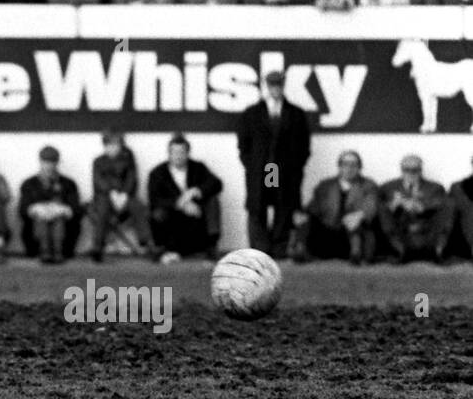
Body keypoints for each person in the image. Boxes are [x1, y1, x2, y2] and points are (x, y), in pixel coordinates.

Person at [238, 71, 311, 258]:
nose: (275, 89)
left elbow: (304, 146)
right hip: (262, 170)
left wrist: (295, 167)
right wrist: (253, 166)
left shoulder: (296, 114)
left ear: (283, 85)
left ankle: (279, 247)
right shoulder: (252, 113)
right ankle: (260, 248)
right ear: (267, 86)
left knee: (284, 205)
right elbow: (244, 145)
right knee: (257, 207)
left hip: (283, 171)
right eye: (272, 85)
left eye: (278, 85)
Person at [291, 150, 379, 264]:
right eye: (345, 164)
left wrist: (360, 215)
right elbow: (313, 208)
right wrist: (302, 216)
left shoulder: (368, 185)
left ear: (359, 168)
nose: (349, 168)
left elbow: (371, 204)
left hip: (351, 234)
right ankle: (300, 251)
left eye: (353, 165)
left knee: (355, 223)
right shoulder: (325, 185)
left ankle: (355, 254)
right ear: (339, 166)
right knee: (305, 219)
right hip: (328, 231)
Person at [79, 128, 155, 260]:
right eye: (109, 145)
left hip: (125, 198)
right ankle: (98, 245)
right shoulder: (98, 161)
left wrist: (124, 194)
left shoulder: (128, 160)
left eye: (115, 145)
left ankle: (148, 244)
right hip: (105, 198)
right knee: (102, 209)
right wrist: (112, 193)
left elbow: (132, 179)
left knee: (137, 206)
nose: (112, 148)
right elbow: (98, 182)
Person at [146, 133, 223, 260]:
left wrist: (196, 191)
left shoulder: (198, 168)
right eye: (175, 152)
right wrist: (180, 203)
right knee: (157, 213)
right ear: (169, 153)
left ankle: (211, 247)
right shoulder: (157, 173)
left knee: (213, 200)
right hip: (172, 219)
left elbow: (217, 184)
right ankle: (160, 248)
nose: (178, 156)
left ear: (188, 153)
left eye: (182, 152)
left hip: (196, 218)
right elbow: (154, 199)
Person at [377, 154, 453, 263]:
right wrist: (395, 204)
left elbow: (441, 202)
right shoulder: (388, 187)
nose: (411, 173)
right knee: (382, 208)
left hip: (427, 231)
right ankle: (400, 251)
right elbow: (379, 205)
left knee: (450, 203)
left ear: (421, 170)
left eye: (415, 170)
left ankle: (438, 250)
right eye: (407, 170)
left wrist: (421, 205)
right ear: (401, 170)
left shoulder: (435, 187)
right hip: (400, 232)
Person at [18, 145, 81, 263]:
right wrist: (37, 209)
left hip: (64, 230)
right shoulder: (29, 184)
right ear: (40, 162)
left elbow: (76, 209)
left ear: (57, 163)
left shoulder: (68, 184)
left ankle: (57, 251)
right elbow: (22, 210)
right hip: (35, 230)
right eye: (45, 162)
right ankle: (45, 251)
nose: (48, 166)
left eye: (52, 162)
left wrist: (61, 210)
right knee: (42, 217)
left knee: (58, 217)